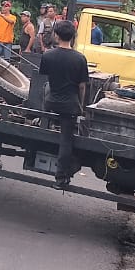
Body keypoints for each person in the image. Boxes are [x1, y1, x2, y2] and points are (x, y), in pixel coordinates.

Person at [39, 20, 90, 189]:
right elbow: (82, 86)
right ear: (73, 36)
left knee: (47, 87)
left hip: (51, 103)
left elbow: (46, 79)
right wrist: (80, 106)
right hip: (70, 106)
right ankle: (61, 179)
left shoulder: (48, 55)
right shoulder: (80, 58)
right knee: (66, 140)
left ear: (56, 35)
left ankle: (44, 119)